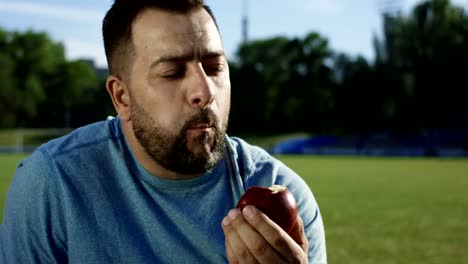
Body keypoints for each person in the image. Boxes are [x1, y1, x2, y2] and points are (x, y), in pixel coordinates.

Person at [0, 0, 327, 263]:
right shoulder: (53, 184)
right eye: (172, 73)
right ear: (121, 97)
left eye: (214, 67)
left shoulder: (282, 195)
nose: (204, 90)